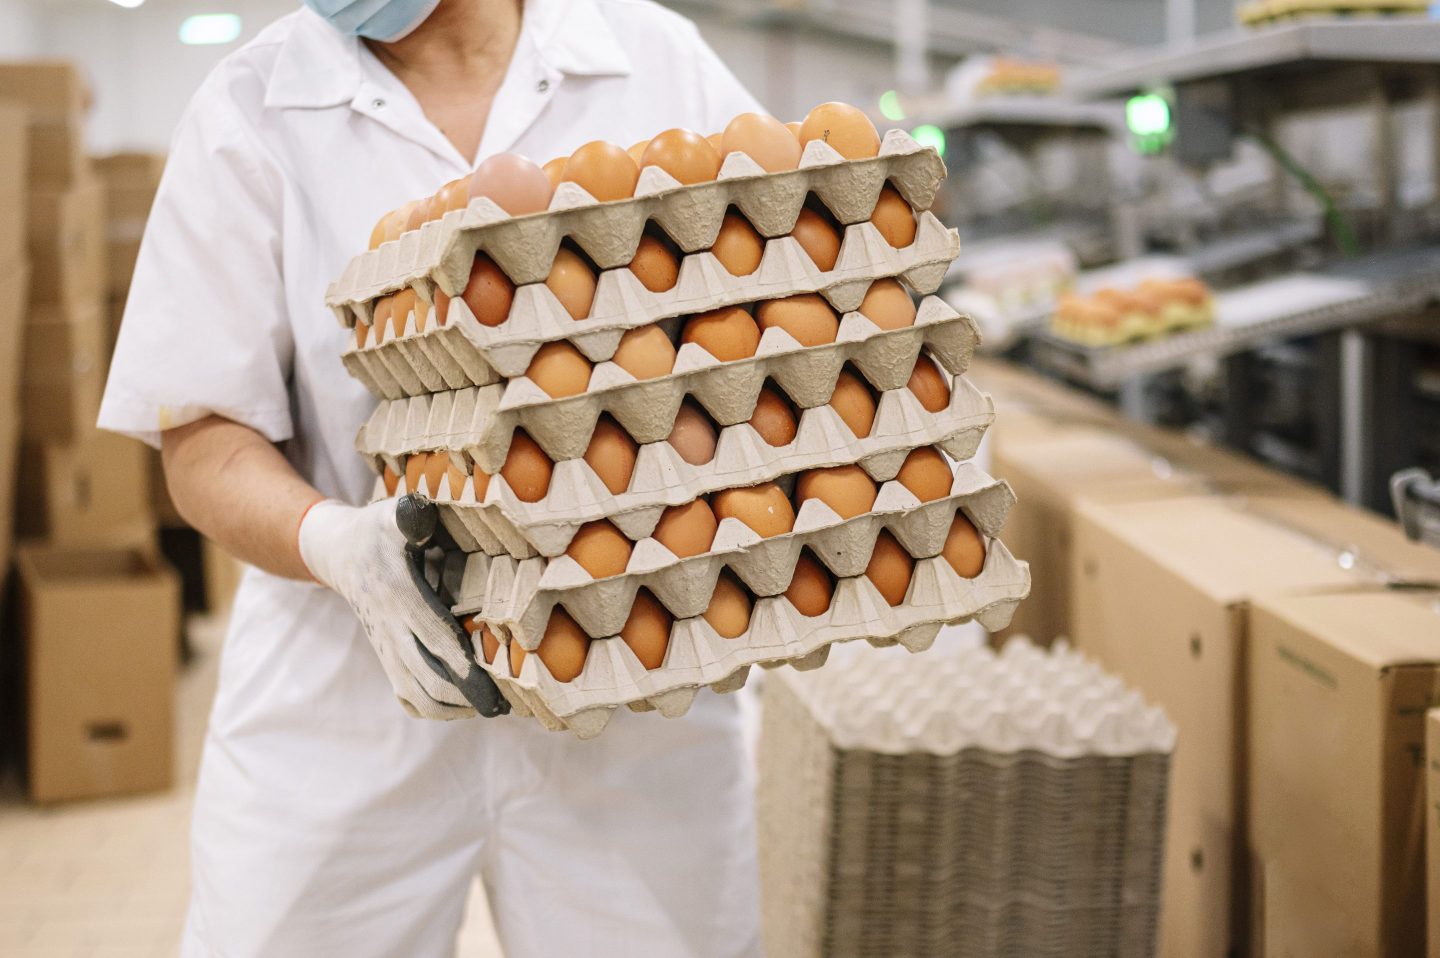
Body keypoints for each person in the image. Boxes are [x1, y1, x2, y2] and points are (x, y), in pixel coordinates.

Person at [98, 1, 766, 954]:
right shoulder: (252, 107)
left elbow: (765, 319)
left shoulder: (652, 60)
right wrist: (339, 546)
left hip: (632, 681)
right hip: (346, 694)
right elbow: (202, 436)